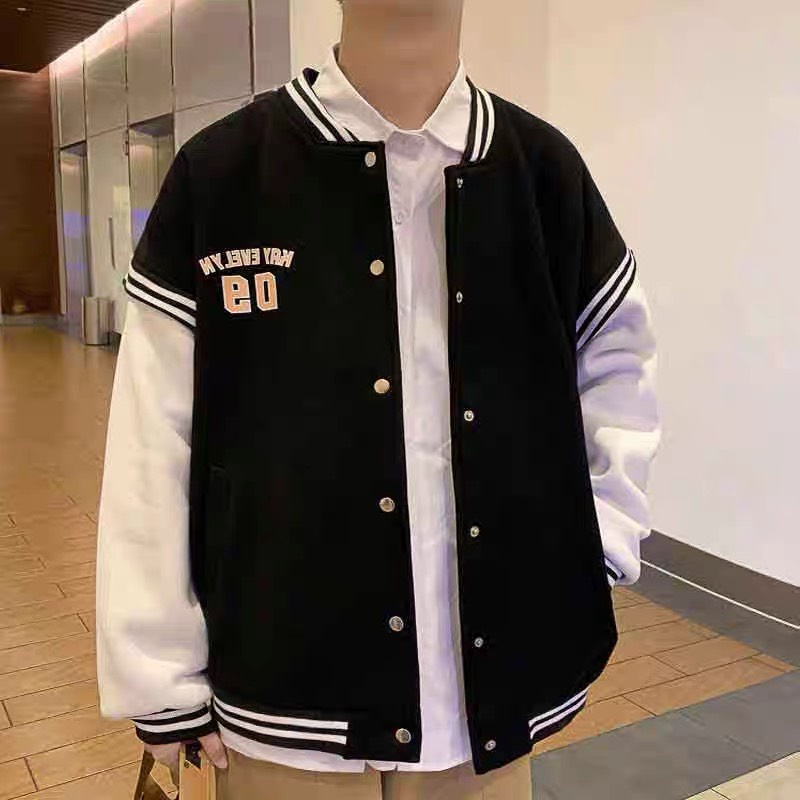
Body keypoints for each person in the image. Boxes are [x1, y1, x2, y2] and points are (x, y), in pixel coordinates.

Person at [96, 0, 661, 797]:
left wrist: (589, 546)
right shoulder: (223, 175)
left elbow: (619, 366)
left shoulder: (542, 174)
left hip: (485, 706)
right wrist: (159, 675)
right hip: (284, 694)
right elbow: (154, 437)